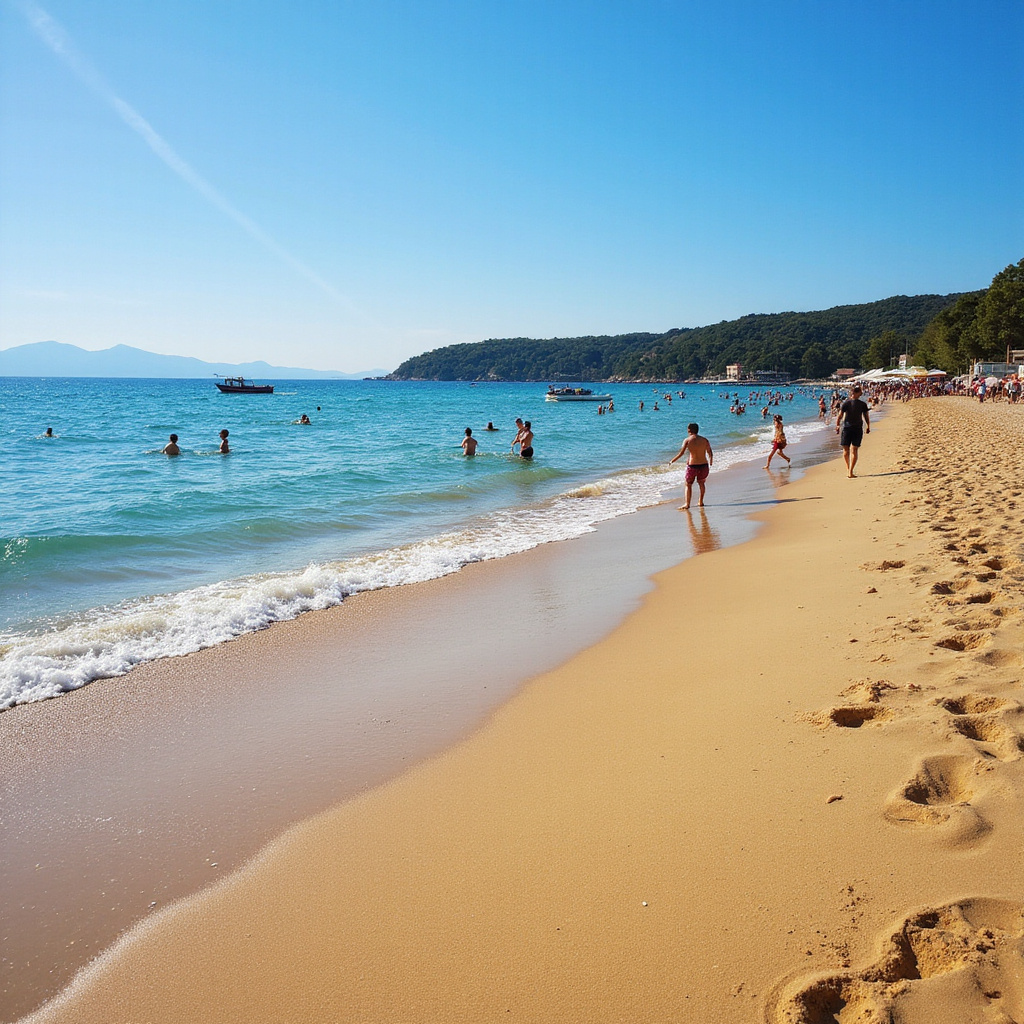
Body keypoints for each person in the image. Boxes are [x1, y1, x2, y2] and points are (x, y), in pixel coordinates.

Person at [669, 422, 713, 509]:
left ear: (689, 430)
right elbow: (710, 452)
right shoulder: (704, 440)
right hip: (704, 465)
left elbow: (681, 453)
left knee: (688, 484)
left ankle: (687, 504)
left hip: (692, 465)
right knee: (701, 483)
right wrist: (711, 461)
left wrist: (672, 460)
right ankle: (701, 501)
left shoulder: (687, 440)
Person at [835, 385, 870, 478]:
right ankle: (850, 470)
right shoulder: (862, 404)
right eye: (860, 392)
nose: (861, 393)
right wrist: (868, 426)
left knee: (846, 450)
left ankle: (849, 470)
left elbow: (840, 416)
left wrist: (837, 425)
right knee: (853, 450)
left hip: (847, 428)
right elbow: (866, 416)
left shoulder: (847, 403)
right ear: (856, 393)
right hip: (856, 428)